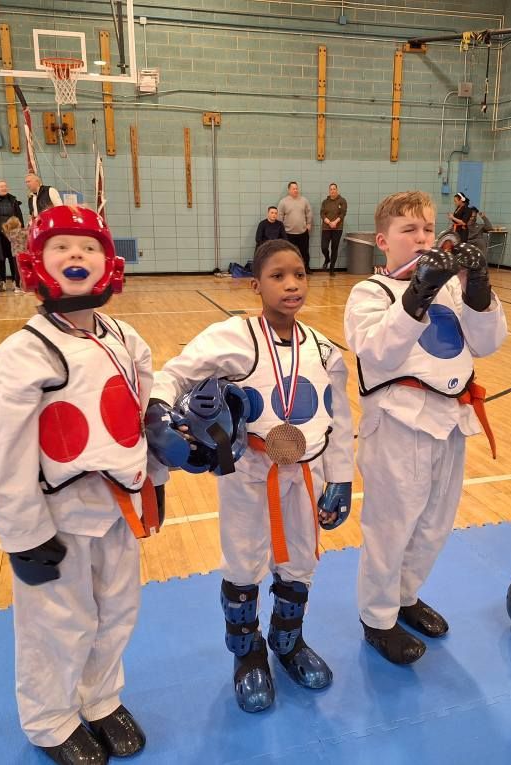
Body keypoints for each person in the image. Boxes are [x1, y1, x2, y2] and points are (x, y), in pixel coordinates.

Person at [0, 206, 164, 765]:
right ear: (36, 264)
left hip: (118, 506)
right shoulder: (20, 357)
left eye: (88, 247)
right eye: (61, 248)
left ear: (110, 263)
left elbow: (142, 419)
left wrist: (154, 478)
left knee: (117, 609)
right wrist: (22, 534)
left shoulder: (127, 338)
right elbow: (4, 457)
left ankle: (101, 699)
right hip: (56, 515)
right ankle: (50, 718)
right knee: (56, 622)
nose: (75, 256)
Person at [149, 239, 354, 712]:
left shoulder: (323, 350)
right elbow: (175, 373)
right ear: (256, 283)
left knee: (300, 563)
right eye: (278, 276)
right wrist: (158, 410)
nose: (291, 284)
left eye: (299, 275)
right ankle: (247, 657)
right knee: (243, 566)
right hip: (248, 473)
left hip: (305, 473)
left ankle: (288, 643)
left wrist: (341, 476)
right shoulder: (234, 337)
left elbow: (340, 418)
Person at [345, 191, 507, 665]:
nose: (420, 238)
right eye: (407, 230)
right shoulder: (369, 293)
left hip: (453, 419)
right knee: (391, 528)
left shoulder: (452, 290)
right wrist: (417, 291)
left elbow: (487, 343)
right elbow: (378, 351)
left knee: (435, 523)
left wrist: (477, 288)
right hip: (399, 424)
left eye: (426, 229)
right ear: (382, 241)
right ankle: (378, 618)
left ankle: (405, 595)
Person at [276, 181, 313, 272]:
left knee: (304, 252)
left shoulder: (304, 200)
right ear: (289, 190)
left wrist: (309, 224)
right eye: (293, 188)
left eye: (297, 188)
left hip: (302, 232)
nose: (296, 190)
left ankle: (306, 268)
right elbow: (279, 216)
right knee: (288, 253)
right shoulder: (283, 202)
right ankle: (288, 269)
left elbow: (309, 212)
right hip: (288, 233)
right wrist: (281, 230)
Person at [320, 182, 348, 274]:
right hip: (326, 228)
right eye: (331, 189)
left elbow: (343, 213)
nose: (332, 191)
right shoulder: (325, 202)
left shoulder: (342, 201)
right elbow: (322, 214)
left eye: (334, 189)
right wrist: (328, 222)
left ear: (337, 190)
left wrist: (335, 222)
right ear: (329, 191)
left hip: (337, 228)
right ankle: (327, 259)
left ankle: (331, 269)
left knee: (334, 248)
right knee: (324, 247)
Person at [1, 216, 28, 295]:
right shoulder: (20, 232)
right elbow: (28, 232)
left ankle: (17, 287)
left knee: (17, 272)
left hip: (15, 255)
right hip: (22, 254)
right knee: (23, 271)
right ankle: (23, 287)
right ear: (17, 224)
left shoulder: (9, 233)